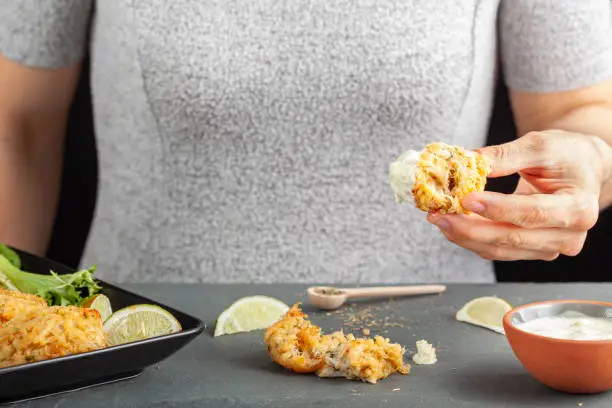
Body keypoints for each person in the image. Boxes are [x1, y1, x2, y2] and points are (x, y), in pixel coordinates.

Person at [1, 0, 611, 284]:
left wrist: (590, 160)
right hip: (139, 351)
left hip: (434, 359)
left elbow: (586, 109)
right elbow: (16, 125)